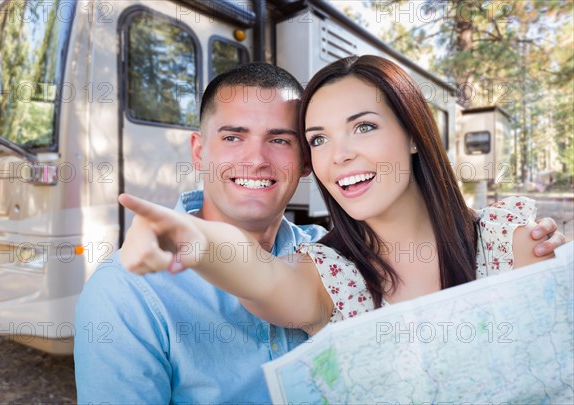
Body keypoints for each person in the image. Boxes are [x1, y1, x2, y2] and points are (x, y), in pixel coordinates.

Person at [75, 61, 563, 403]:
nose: (340, 154)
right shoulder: (333, 274)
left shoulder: (508, 241)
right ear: (200, 152)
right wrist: (187, 238)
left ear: (414, 133)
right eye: (320, 138)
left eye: (364, 127)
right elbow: (263, 279)